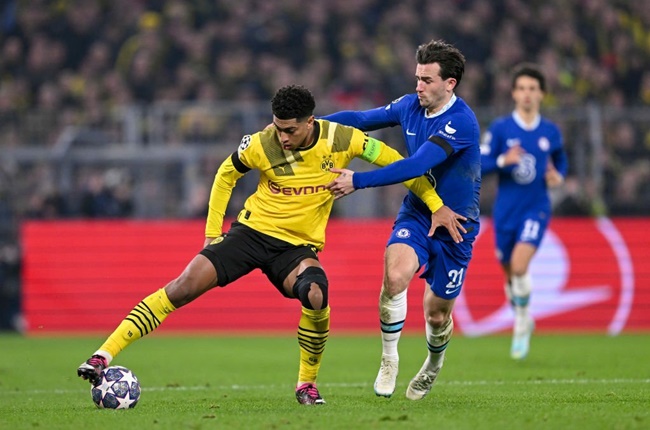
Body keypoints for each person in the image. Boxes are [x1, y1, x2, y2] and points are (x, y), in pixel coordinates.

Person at [76, 84, 454, 405]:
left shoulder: (344, 139)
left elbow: (402, 166)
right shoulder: (262, 143)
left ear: (310, 122)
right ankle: (102, 355)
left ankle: (306, 384)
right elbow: (226, 173)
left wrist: (436, 206)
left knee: (316, 293)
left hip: (297, 249)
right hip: (251, 234)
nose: (282, 136)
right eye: (277, 127)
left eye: (289, 130)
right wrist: (211, 233)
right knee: (182, 287)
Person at [323, 39, 481, 400]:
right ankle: (389, 359)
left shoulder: (461, 122)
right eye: (417, 78)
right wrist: (311, 125)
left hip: (456, 225)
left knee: (437, 316)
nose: (418, 87)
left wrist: (358, 180)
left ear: (450, 84)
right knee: (395, 278)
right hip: (419, 212)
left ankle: (433, 364)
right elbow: (360, 120)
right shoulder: (410, 105)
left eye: (427, 80)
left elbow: (415, 165)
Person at [480, 63, 568, 359]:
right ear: (514, 94)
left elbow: (560, 159)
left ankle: (521, 322)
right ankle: (522, 313)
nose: (527, 94)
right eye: (521, 88)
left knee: (519, 266)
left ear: (542, 94)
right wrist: (502, 161)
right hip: (506, 210)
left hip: (536, 207)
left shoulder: (550, 131)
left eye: (532, 88)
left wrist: (558, 175)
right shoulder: (501, 128)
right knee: (509, 272)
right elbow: (481, 163)